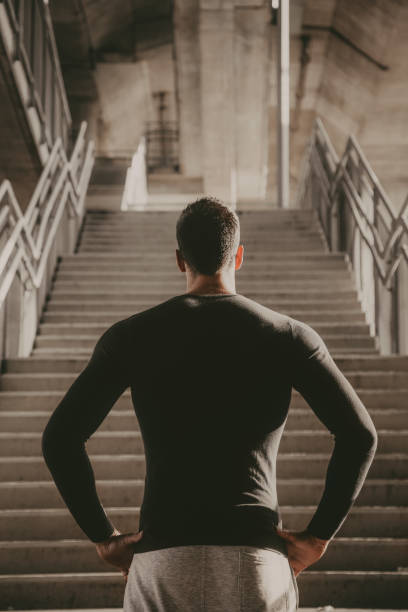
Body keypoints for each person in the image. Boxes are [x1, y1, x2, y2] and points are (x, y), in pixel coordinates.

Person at [42, 197, 378, 611]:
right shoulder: (290, 337)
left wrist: (103, 536)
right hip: (256, 561)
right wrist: (318, 537)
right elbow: (359, 435)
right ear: (238, 255)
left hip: (163, 558)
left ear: (180, 259)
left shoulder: (131, 337)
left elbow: (60, 437)